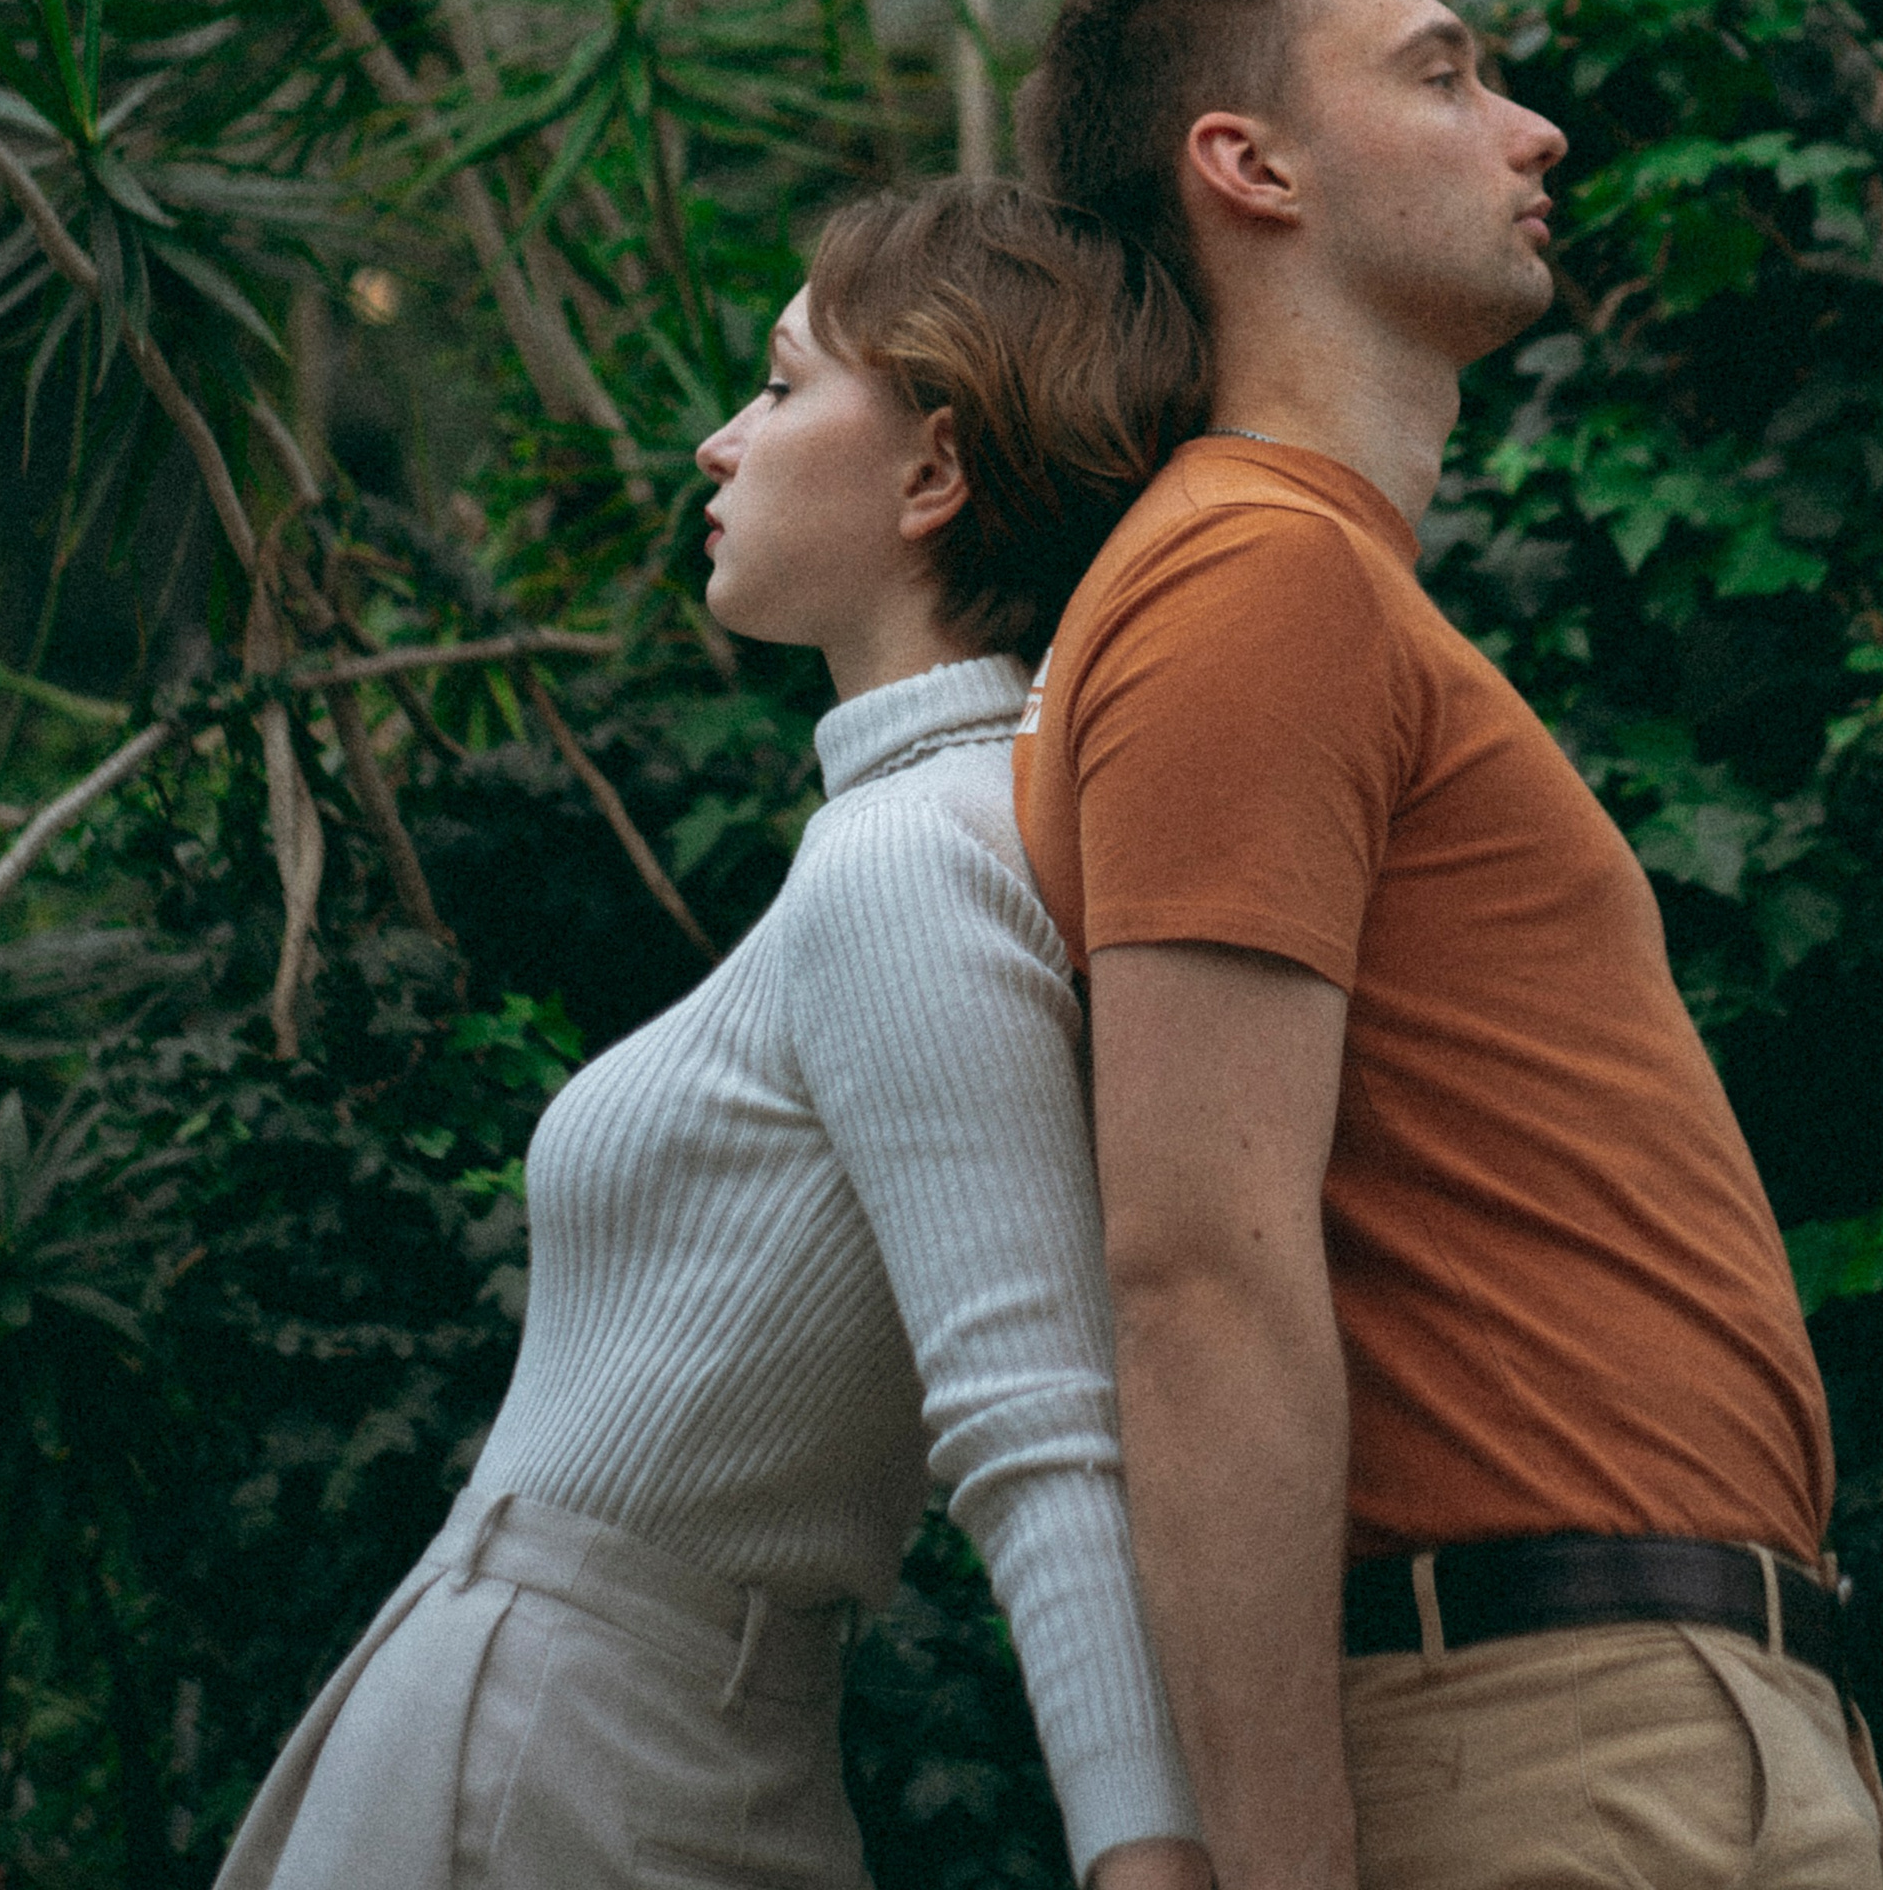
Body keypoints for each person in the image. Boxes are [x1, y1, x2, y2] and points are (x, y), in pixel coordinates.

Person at [1013, 0, 1883, 1890]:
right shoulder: (1253, 574)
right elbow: (1197, 1273)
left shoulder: (1316, 579)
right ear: (1245, 166)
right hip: (1554, 1736)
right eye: (1442, 74)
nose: (1533, 128)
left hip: (1658, 1721)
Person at [216, 181, 1210, 1890]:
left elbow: (1039, 1427)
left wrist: (1150, 1859)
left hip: (567, 1740)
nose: (716, 440)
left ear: (934, 472)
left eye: (779, 383)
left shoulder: (907, 859)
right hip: (600, 1727)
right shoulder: (935, 831)